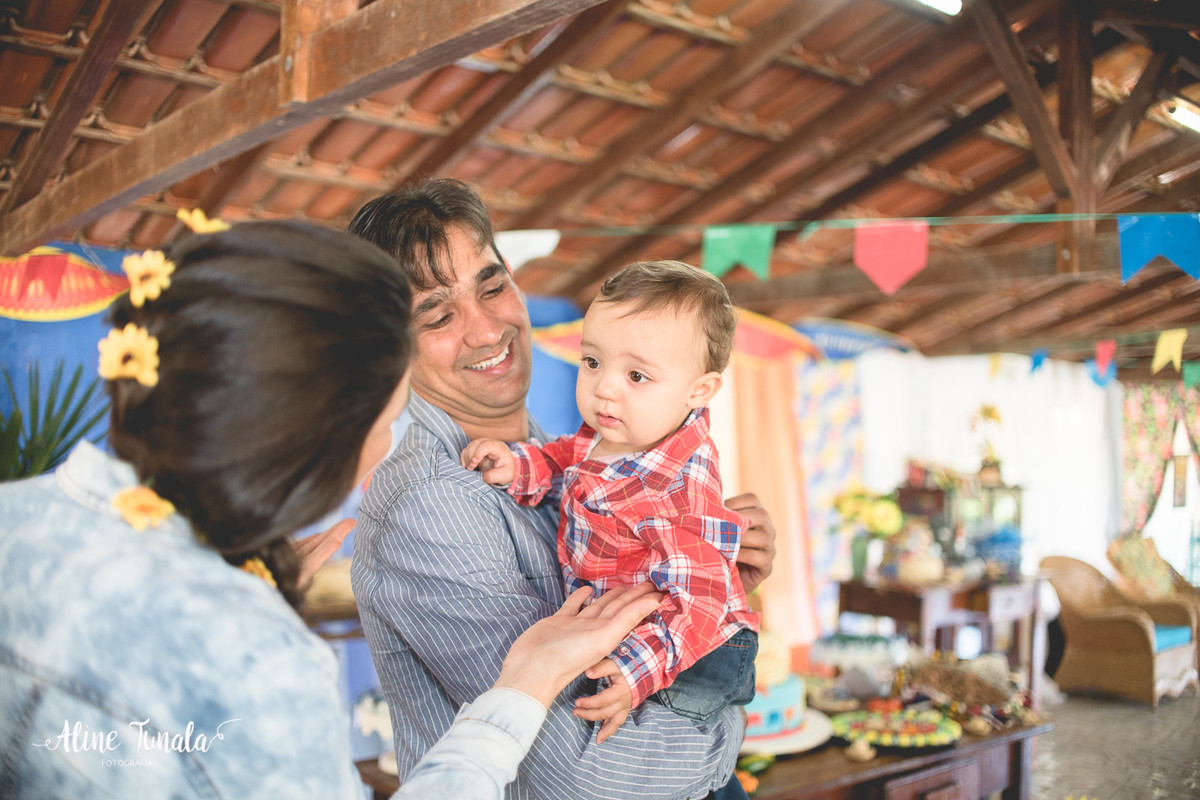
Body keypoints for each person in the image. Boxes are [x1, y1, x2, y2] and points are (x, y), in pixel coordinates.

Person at [0, 220, 664, 800]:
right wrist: (527, 680)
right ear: (314, 446)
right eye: (388, 422)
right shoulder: (259, 659)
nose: (378, 463)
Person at [349, 178, 777, 800]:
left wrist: (709, 573)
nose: (486, 328)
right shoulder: (432, 505)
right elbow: (585, 774)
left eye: (492, 284)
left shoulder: (572, 449)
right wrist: (724, 719)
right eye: (438, 314)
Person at [460, 260, 759, 744]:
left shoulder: (677, 487)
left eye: (637, 375)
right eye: (593, 362)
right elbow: (566, 462)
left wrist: (638, 671)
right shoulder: (610, 436)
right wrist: (519, 465)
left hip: (696, 655)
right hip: (629, 630)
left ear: (698, 391)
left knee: (648, 749)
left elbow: (700, 600)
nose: (605, 388)